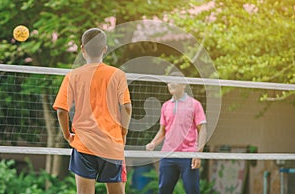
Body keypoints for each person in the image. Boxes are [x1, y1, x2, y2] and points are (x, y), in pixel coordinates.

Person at [53, 28, 132, 194]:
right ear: (105, 48)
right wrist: (122, 134)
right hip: (112, 145)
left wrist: (67, 135)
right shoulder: (117, 75)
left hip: (84, 146)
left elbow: (61, 110)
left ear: (82, 49)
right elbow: (126, 107)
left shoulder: (73, 76)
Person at [146, 72, 207, 194]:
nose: (171, 84)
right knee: (163, 190)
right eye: (169, 82)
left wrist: (198, 153)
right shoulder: (165, 106)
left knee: (192, 190)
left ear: (183, 84)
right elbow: (163, 131)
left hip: (188, 155)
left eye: (174, 81)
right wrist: (153, 143)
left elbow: (203, 130)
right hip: (168, 155)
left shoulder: (195, 104)